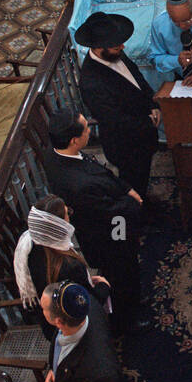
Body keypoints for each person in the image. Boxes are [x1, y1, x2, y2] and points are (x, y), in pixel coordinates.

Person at [42, 111, 146, 334]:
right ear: (74, 140)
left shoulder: (56, 154)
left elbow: (101, 174)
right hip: (108, 236)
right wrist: (133, 203)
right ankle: (127, 320)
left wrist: (125, 188)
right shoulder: (79, 184)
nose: (90, 129)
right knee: (121, 275)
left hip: (103, 214)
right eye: (86, 128)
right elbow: (111, 211)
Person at [75, 11, 158, 197]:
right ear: (98, 48)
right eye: (115, 46)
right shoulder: (91, 82)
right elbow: (115, 120)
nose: (122, 46)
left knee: (143, 177)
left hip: (143, 135)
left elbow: (137, 79)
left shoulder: (113, 53)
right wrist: (148, 123)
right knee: (133, 185)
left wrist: (153, 104)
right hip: (126, 146)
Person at [13, 196, 110, 315]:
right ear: (58, 226)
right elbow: (90, 302)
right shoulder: (70, 267)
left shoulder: (28, 244)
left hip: (47, 315)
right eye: (67, 214)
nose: (69, 217)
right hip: (73, 320)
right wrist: (104, 286)